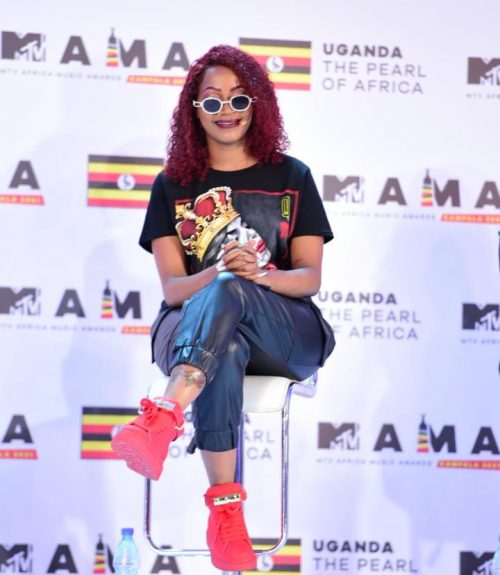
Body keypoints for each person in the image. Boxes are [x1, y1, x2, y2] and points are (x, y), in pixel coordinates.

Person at [111, 44, 335, 572]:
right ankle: (227, 514)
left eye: (238, 98)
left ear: (258, 104)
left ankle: (164, 417)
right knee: (225, 345)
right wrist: (218, 274)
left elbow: (309, 277)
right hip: (195, 325)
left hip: (283, 330)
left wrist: (259, 276)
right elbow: (173, 290)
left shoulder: (292, 177)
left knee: (233, 291)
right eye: (212, 101)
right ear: (195, 112)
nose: (226, 110)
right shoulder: (172, 185)